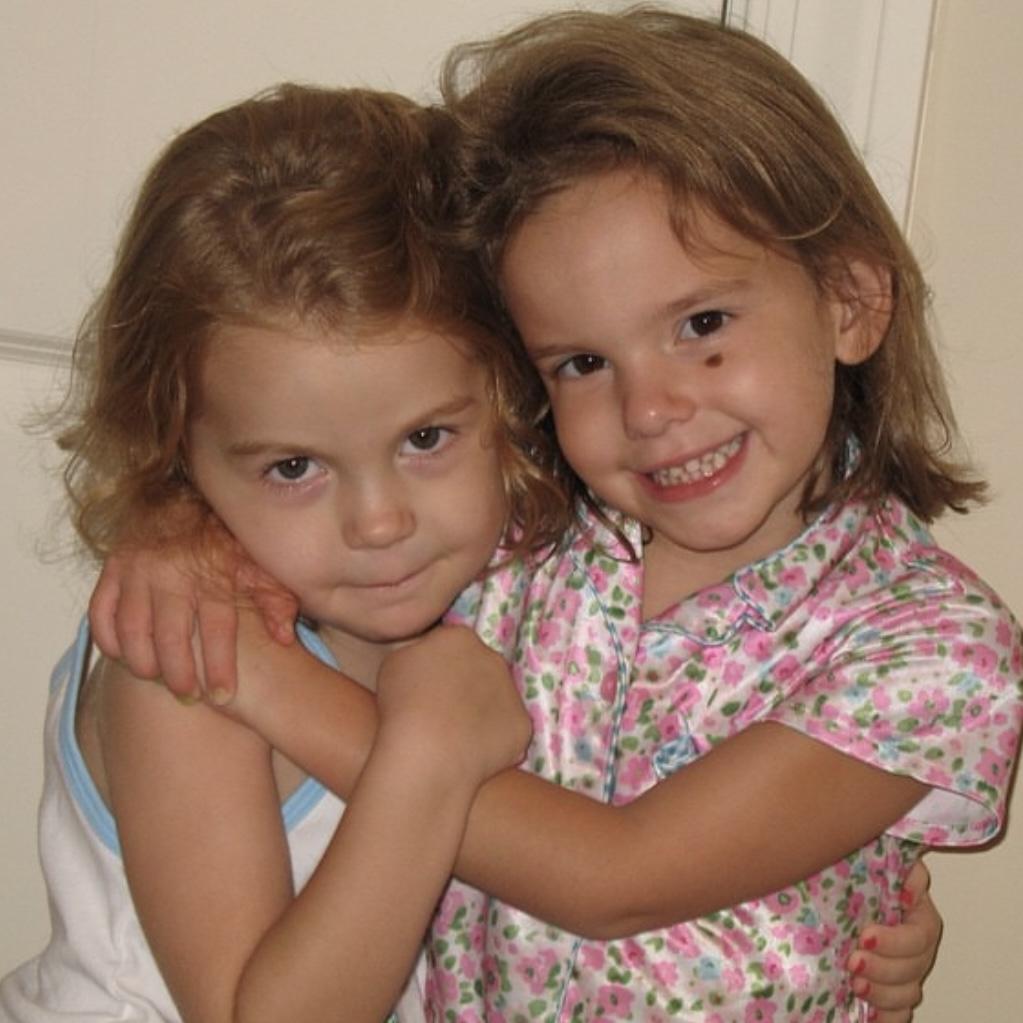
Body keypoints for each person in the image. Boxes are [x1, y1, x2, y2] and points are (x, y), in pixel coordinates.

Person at [79, 7, 992, 1022]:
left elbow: (614, 879)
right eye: (583, 361)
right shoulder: (527, 535)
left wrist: (273, 686)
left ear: (849, 301)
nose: (650, 410)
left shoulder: (931, 647)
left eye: (702, 324)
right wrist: (174, 524)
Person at [0, 83, 565, 1023]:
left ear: (507, 396)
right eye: (294, 466)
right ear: (178, 450)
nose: (378, 521)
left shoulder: (522, 583)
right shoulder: (183, 662)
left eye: (426, 438)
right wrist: (428, 755)